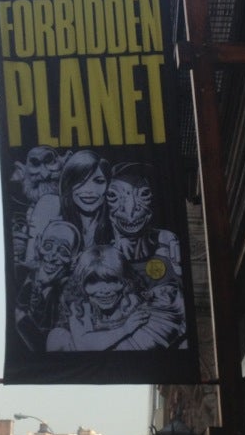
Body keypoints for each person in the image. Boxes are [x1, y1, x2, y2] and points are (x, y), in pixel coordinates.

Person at [46, 245, 184, 351]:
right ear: (82, 285)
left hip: (123, 360)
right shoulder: (80, 306)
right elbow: (83, 344)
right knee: (57, 337)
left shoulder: (130, 300)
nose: (104, 290)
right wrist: (124, 329)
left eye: (111, 280)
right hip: (90, 362)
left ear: (125, 281)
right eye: (94, 281)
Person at [14, 219, 81, 354]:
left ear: (74, 260)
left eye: (63, 251)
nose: (52, 256)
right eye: (48, 246)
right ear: (38, 244)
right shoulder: (17, 274)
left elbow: (48, 349)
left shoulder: (69, 299)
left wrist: (19, 317)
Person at [59, 150, 112, 250]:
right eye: (80, 182)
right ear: (68, 185)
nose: (89, 190)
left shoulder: (116, 229)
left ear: (108, 186)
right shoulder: (56, 226)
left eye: (99, 181)